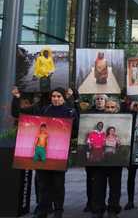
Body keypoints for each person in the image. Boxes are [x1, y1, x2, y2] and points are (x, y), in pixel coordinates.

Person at [12, 87, 77, 218]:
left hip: (60, 153)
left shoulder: (70, 111)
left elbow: (75, 132)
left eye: (59, 96)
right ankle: (43, 210)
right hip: (43, 152)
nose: (56, 99)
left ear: (63, 98)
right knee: (43, 184)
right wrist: (17, 97)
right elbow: (17, 113)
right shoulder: (44, 110)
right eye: (54, 96)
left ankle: (58, 211)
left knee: (58, 184)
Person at [89, 98, 123, 218]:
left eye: (112, 107)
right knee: (98, 185)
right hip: (100, 160)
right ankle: (98, 209)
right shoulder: (99, 125)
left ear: (117, 109)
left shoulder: (122, 122)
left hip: (114, 161)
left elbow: (120, 145)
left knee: (115, 186)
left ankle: (113, 209)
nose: (109, 109)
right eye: (107, 107)